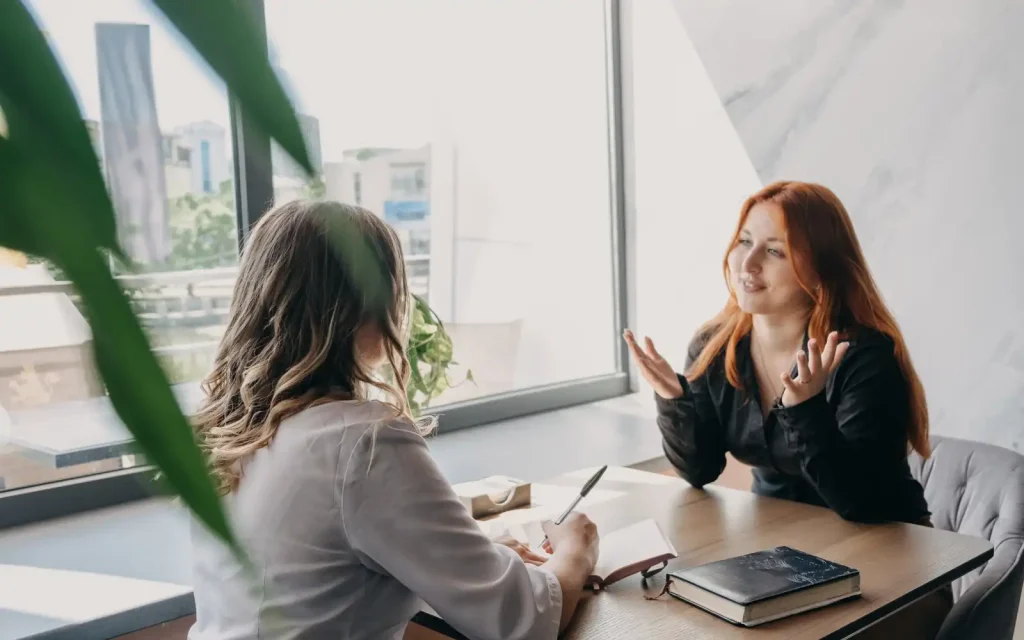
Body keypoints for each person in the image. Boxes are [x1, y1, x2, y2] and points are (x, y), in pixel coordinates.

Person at [187, 200, 599, 640]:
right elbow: (524, 619)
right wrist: (577, 549)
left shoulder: (233, 430)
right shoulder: (361, 441)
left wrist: (464, 560)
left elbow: (321, 575)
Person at [625, 181, 950, 639]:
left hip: (891, 558)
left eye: (775, 252)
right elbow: (699, 469)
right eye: (744, 242)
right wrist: (673, 401)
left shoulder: (864, 357)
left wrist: (804, 406)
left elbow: (859, 502)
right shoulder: (717, 346)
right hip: (783, 558)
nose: (748, 264)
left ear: (821, 269)